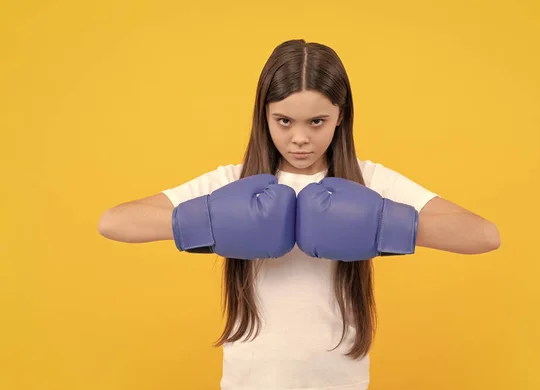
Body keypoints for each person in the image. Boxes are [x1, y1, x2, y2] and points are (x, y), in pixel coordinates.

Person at [98, 39, 501, 390]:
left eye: (317, 121)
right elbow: (114, 222)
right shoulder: (235, 183)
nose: (300, 137)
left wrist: (382, 225)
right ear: (265, 116)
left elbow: (483, 235)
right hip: (248, 380)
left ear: (340, 116)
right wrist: (211, 220)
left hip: (340, 380)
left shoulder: (369, 181)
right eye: (284, 121)